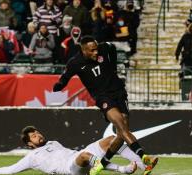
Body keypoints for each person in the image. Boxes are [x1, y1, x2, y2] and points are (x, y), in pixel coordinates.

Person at [53, 36, 158, 175]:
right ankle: (145, 158)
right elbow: (65, 78)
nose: (96, 52)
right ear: (84, 50)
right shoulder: (75, 63)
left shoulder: (104, 47)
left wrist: (113, 65)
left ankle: (101, 164)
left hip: (119, 92)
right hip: (103, 97)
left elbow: (112, 47)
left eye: (96, 49)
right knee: (121, 125)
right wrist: (59, 85)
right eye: (92, 50)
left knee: (121, 134)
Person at [0, 126, 140, 175]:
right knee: (86, 156)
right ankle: (121, 169)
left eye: (37, 132)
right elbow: (10, 170)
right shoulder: (32, 157)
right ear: (30, 144)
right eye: (34, 136)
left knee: (111, 140)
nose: (38, 135)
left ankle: (141, 163)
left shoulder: (54, 142)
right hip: (70, 170)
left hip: (80, 158)